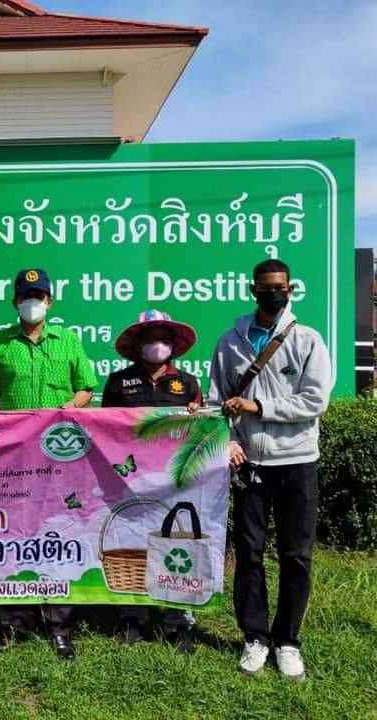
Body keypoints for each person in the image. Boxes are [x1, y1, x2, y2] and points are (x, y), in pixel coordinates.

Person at [206, 259, 330, 681]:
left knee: (296, 555)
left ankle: (288, 641)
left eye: (281, 287)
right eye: (266, 287)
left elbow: (314, 401)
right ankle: (255, 638)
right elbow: (217, 401)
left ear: (290, 289)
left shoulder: (307, 340)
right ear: (253, 289)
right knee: (249, 553)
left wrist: (259, 406)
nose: (274, 293)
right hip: (250, 465)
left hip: (297, 461)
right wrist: (230, 442)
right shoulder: (230, 342)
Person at [0, 268, 96, 659]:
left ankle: (59, 626)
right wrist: (2, 423)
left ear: (49, 301)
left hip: (59, 457)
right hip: (15, 458)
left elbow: (86, 387)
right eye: (26, 296)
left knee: (59, 533)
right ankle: (13, 624)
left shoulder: (68, 341)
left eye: (38, 296)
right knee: (13, 535)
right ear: (15, 302)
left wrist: (69, 406)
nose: (32, 303)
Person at [102, 310, 201, 654]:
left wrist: (197, 416)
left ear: (173, 344)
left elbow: (201, 431)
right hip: (131, 479)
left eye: (163, 337)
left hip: (176, 479)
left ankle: (179, 620)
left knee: (179, 543)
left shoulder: (188, 384)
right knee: (132, 542)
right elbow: (105, 429)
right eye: (150, 338)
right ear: (138, 344)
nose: (157, 344)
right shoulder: (118, 382)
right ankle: (133, 616)